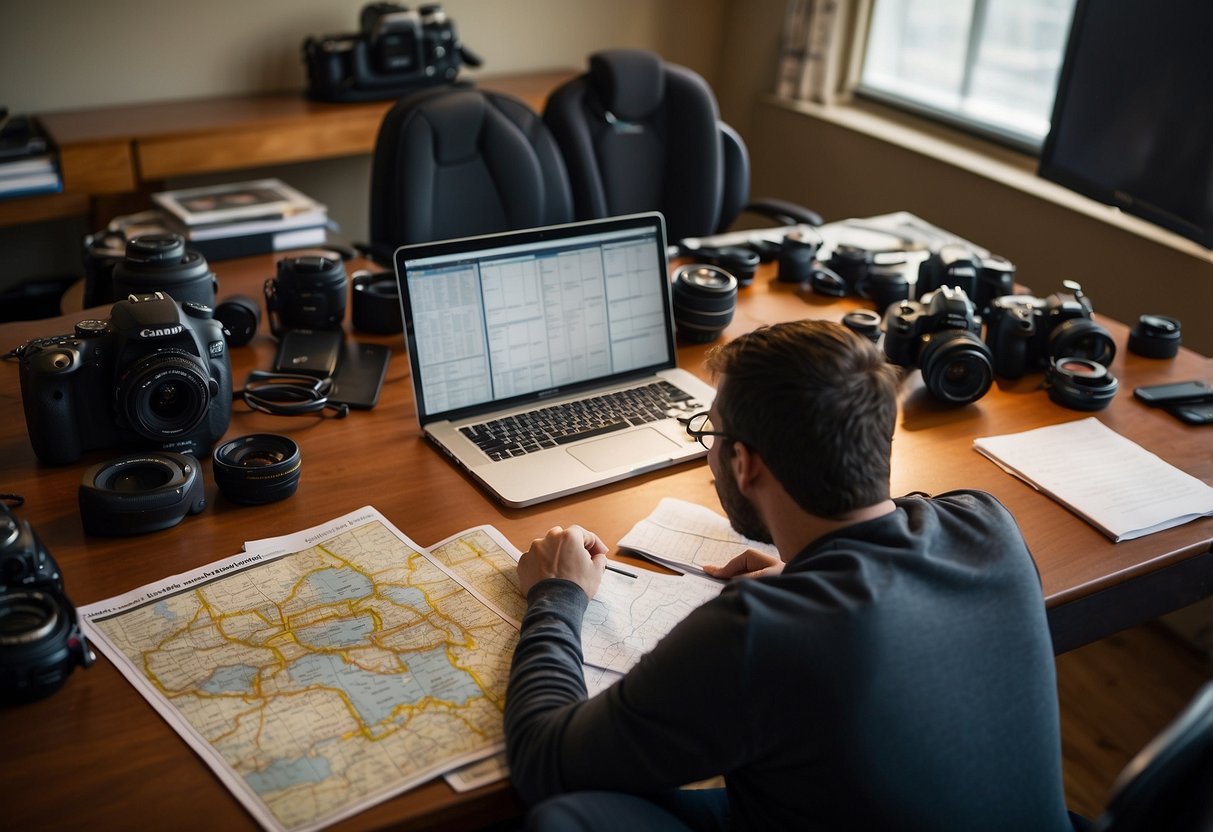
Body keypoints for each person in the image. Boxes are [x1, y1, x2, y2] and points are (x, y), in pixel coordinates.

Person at [504, 319, 1073, 832]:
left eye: (711, 433)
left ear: (745, 462)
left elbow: (543, 760)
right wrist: (804, 570)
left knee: (564, 816)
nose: (709, 453)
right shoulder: (986, 520)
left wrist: (558, 594)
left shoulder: (760, 630)